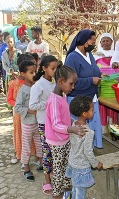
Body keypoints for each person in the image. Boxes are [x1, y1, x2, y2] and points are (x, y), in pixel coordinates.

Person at [45, 62, 88, 199]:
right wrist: (72, 129)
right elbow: (56, 125)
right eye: (71, 84)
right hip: (56, 142)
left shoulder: (62, 96)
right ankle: (57, 195)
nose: (73, 87)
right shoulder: (53, 101)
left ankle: (66, 190)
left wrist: (73, 123)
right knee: (58, 170)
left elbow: (64, 117)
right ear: (61, 81)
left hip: (64, 138)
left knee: (65, 165)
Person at [65, 29, 103, 148]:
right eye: (92, 41)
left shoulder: (89, 55)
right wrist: (91, 80)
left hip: (91, 96)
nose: (93, 44)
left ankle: (90, 150)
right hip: (78, 99)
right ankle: (82, 153)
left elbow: (92, 70)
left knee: (92, 126)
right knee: (81, 130)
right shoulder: (72, 57)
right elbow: (71, 81)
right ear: (84, 41)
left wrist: (100, 75)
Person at [29, 55, 58, 195]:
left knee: (55, 150)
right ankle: (46, 180)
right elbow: (32, 105)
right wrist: (48, 105)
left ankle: (53, 173)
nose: (55, 70)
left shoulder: (54, 82)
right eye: (53, 68)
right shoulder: (38, 85)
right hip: (44, 123)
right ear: (44, 68)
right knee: (47, 152)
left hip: (56, 122)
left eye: (56, 68)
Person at [66, 95, 103, 199]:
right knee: (80, 192)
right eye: (92, 109)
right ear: (84, 113)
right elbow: (88, 152)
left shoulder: (73, 125)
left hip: (72, 162)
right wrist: (96, 164)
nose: (94, 111)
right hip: (81, 167)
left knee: (75, 187)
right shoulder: (89, 132)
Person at [14, 60, 42, 182]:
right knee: (26, 146)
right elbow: (17, 107)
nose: (34, 74)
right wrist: (30, 111)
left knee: (40, 144)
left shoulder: (37, 87)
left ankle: (41, 162)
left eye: (35, 71)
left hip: (38, 122)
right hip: (27, 123)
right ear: (23, 74)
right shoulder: (23, 90)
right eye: (31, 72)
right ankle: (26, 168)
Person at [7, 54, 37, 166]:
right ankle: (18, 154)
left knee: (33, 136)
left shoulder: (34, 83)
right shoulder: (14, 83)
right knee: (20, 136)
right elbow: (9, 99)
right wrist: (22, 108)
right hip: (19, 115)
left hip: (33, 115)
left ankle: (32, 155)